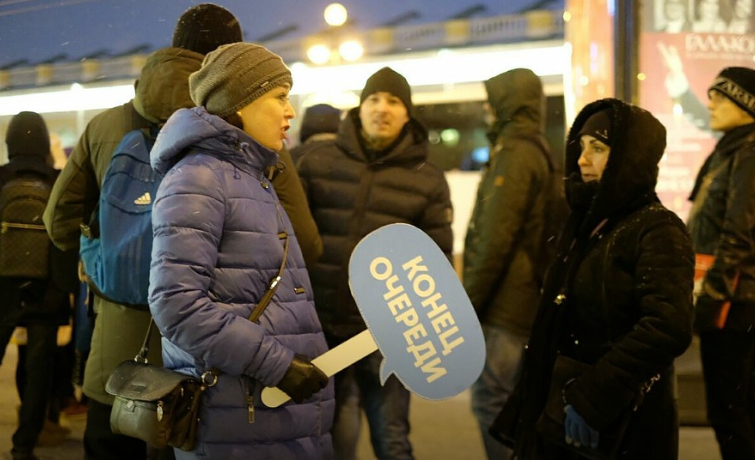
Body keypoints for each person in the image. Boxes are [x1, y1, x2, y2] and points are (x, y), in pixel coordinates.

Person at [43, 4, 243, 459]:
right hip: (204, 345)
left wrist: (100, 256)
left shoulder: (105, 125)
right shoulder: (238, 130)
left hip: (119, 343)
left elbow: (57, 219)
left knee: (110, 445)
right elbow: (302, 240)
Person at [148, 41, 333, 460]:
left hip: (265, 415)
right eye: (280, 97)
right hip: (239, 416)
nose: (291, 112)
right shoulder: (199, 179)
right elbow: (176, 304)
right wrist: (277, 364)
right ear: (241, 102)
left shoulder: (251, 177)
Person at [491, 98, 695, 460]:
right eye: (581, 147)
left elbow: (667, 326)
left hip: (620, 424)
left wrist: (591, 397)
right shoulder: (587, 224)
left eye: (598, 148)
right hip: (562, 409)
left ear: (629, 156)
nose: (583, 159)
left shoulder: (657, 229)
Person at [297, 66, 454, 460]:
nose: (382, 108)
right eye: (374, 99)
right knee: (334, 437)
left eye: (394, 101)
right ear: (360, 107)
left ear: (407, 114)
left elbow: (436, 262)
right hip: (324, 328)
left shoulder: (427, 178)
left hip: (389, 335)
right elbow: (291, 241)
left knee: (392, 438)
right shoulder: (319, 161)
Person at [688, 67, 755, 460]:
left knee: (729, 412)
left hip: (734, 299)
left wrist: (710, 298)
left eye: (720, 97)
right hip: (736, 295)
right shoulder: (733, 153)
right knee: (740, 408)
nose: (710, 103)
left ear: (744, 105)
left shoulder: (748, 159)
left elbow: (737, 239)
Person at [462, 68, 565, 460]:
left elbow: (495, 236)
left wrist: (468, 301)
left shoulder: (517, 153)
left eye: (493, 98)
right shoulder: (535, 147)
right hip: (526, 296)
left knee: (492, 400)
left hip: (507, 303)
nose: (487, 106)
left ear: (508, 102)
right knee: (516, 405)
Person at [0, 111, 77, 460]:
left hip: (1, 290)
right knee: (38, 374)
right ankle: (23, 447)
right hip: (46, 290)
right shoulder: (59, 180)